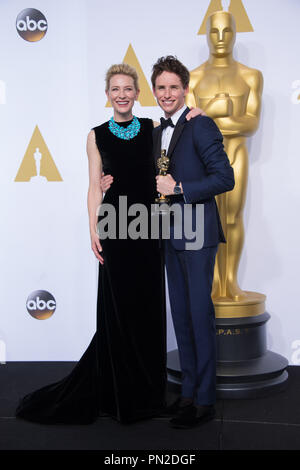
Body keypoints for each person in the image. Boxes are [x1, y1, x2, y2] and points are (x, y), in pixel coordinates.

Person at [15, 63, 203, 425]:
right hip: (115, 229)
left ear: (136, 94)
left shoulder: (151, 128)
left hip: (148, 231)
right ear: (107, 95)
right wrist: (92, 228)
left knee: (148, 312)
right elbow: (92, 186)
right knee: (118, 313)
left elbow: (180, 133)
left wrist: (196, 111)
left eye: (128, 89)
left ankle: (148, 394)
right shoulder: (95, 135)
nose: (121, 94)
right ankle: (120, 395)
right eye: (115, 89)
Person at [103, 56, 235, 428]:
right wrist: (106, 183)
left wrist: (179, 188)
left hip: (197, 234)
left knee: (198, 316)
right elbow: (136, 170)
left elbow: (225, 178)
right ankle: (189, 393)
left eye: (173, 87)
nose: (166, 94)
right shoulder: (154, 130)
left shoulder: (201, 125)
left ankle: (205, 401)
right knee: (181, 318)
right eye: (160, 87)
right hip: (167, 235)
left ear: (185, 89)